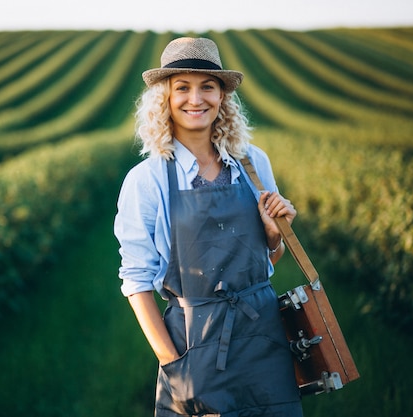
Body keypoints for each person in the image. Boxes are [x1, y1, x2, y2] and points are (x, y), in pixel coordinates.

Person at [113, 37, 304, 416]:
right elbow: (136, 282)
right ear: (164, 98)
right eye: (182, 87)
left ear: (222, 98)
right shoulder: (147, 180)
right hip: (193, 344)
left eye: (208, 87)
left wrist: (274, 234)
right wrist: (173, 363)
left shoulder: (252, 164)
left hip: (264, 337)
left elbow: (267, 262)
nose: (195, 99)